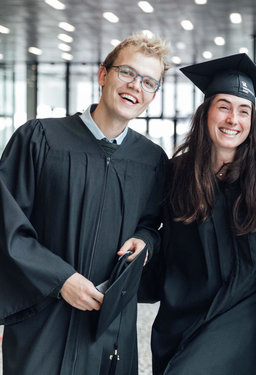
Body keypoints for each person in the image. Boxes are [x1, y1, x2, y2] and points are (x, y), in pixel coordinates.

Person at [0, 32, 170, 374]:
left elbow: (152, 224)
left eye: (149, 82)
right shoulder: (39, 139)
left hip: (109, 328)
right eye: (127, 73)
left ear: (152, 95)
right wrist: (61, 279)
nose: (136, 86)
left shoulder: (152, 161)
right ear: (103, 75)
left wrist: (146, 241)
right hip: (43, 321)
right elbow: (7, 223)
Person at [138, 53, 256, 375]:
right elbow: (150, 225)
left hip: (239, 314)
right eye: (224, 107)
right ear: (206, 113)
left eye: (244, 111)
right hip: (181, 311)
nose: (233, 119)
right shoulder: (175, 172)